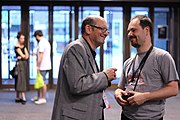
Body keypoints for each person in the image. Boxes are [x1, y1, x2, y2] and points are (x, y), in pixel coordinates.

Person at [51, 15, 117, 120]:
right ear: (88, 29)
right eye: (103, 29)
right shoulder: (76, 48)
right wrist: (104, 76)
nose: (106, 34)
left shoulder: (87, 50)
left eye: (107, 31)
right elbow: (77, 85)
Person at [114, 15, 179, 120]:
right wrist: (117, 94)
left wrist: (145, 96)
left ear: (147, 30)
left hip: (151, 117)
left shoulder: (162, 57)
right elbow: (120, 88)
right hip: (126, 116)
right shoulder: (128, 62)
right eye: (128, 31)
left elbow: (173, 89)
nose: (130, 34)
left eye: (133, 30)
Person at [31, 30, 51, 104]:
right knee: (40, 81)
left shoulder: (42, 43)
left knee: (42, 82)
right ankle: (39, 96)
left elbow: (40, 55)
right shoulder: (45, 42)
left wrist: (38, 66)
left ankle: (43, 98)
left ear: (36, 36)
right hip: (46, 65)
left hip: (43, 66)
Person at [14, 32, 29, 105]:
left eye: (23, 38)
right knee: (21, 79)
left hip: (23, 64)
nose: (23, 40)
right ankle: (23, 97)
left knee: (20, 79)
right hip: (20, 65)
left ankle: (17, 97)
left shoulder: (24, 46)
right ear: (18, 39)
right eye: (21, 38)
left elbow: (27, 56)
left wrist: (24, 56)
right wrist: (23, 56)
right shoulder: (17, 47)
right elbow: (23, 56)